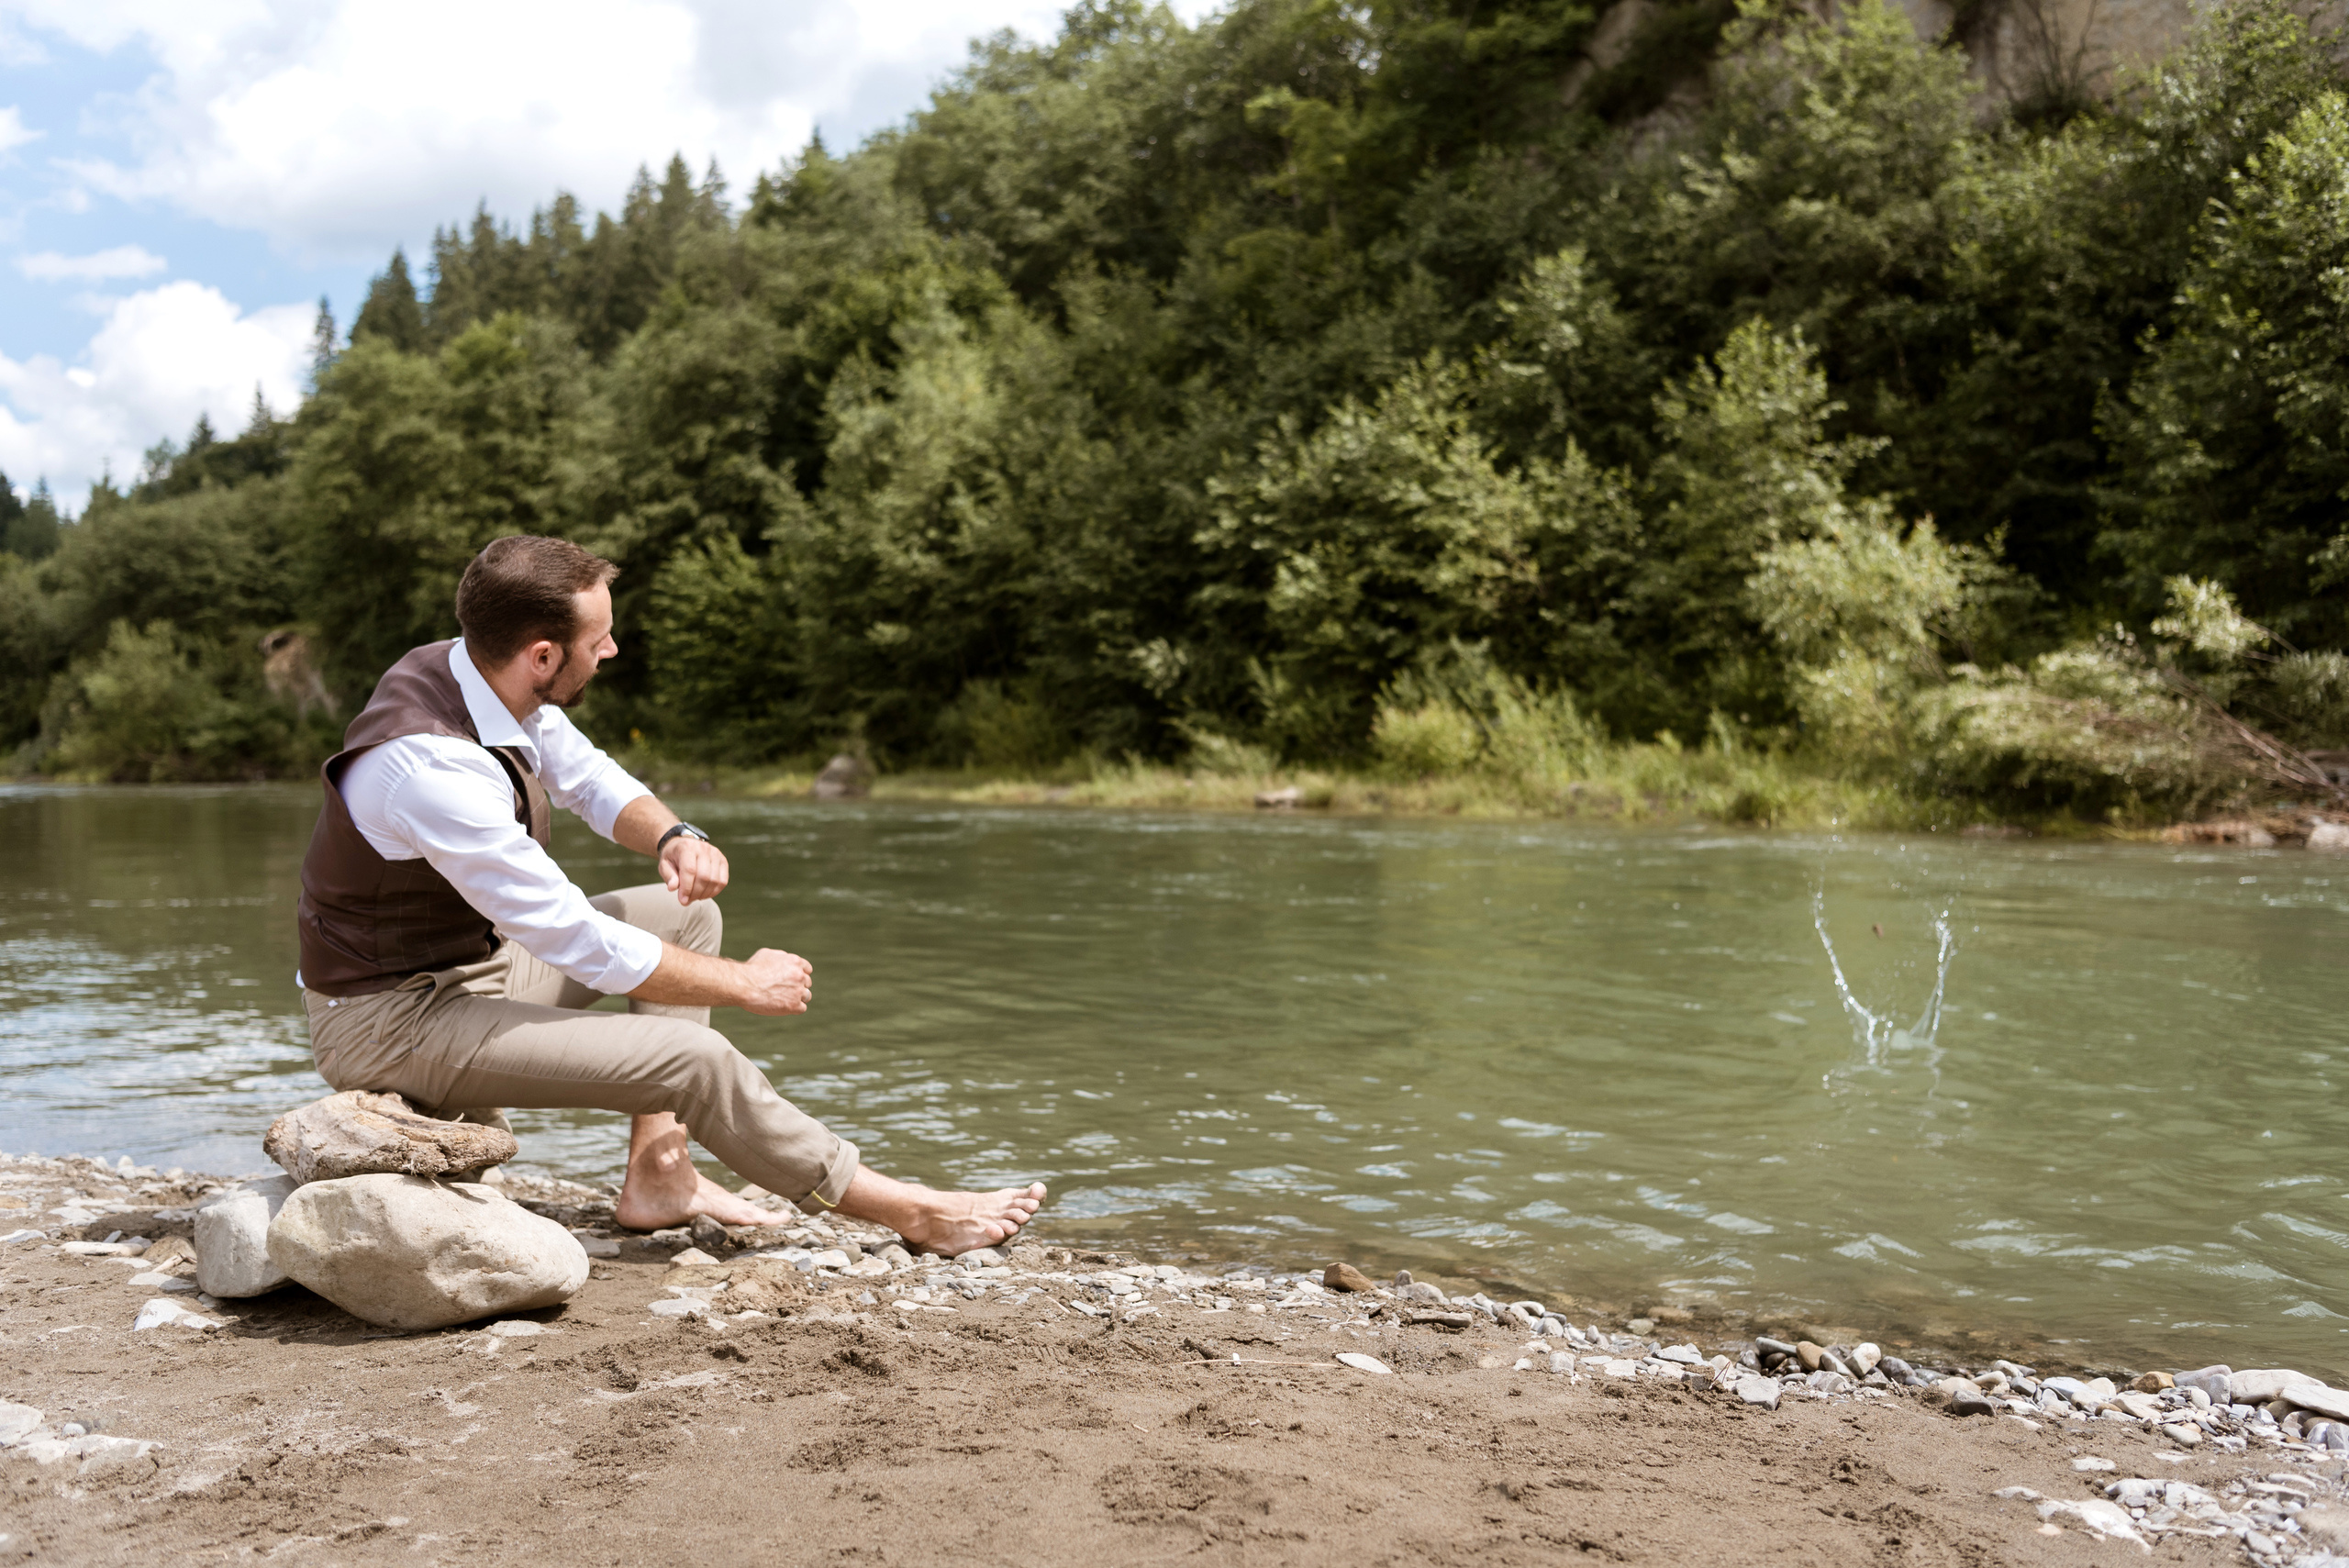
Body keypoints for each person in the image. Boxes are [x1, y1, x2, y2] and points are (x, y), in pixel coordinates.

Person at [294, 534, 1044, 1253]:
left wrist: (672, 834)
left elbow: (587, 777)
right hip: (390, 1022)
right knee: (695, 1057)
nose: (612, 651)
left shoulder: (478, 673)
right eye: (600, 641)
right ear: (543, 655)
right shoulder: (431, 770)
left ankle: (661, 1176)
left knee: (686, 914)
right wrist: (745, 983)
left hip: (467, 973)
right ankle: (911, 1210)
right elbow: (572, 937)